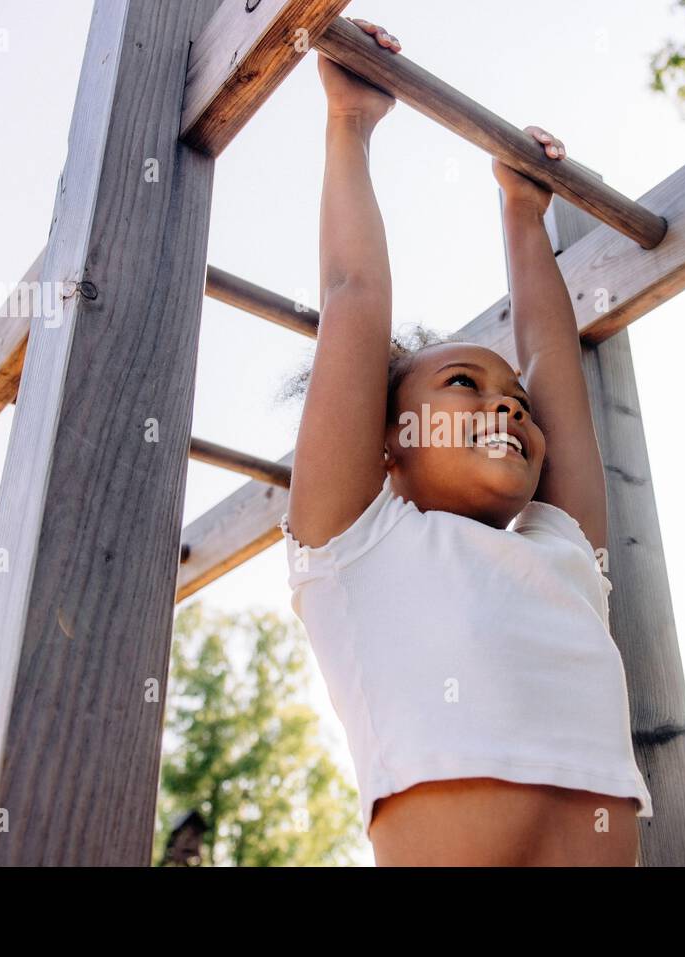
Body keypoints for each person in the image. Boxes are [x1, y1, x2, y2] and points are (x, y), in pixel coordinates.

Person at [279, 17, 652, 866]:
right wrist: (351, 126)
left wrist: (524, 212)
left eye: (516, 401)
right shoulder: (357, 545)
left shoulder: (561, 552)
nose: (511, 408)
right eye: (464, 385)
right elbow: (354, 294)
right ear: (387, 437)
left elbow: (557, 369)